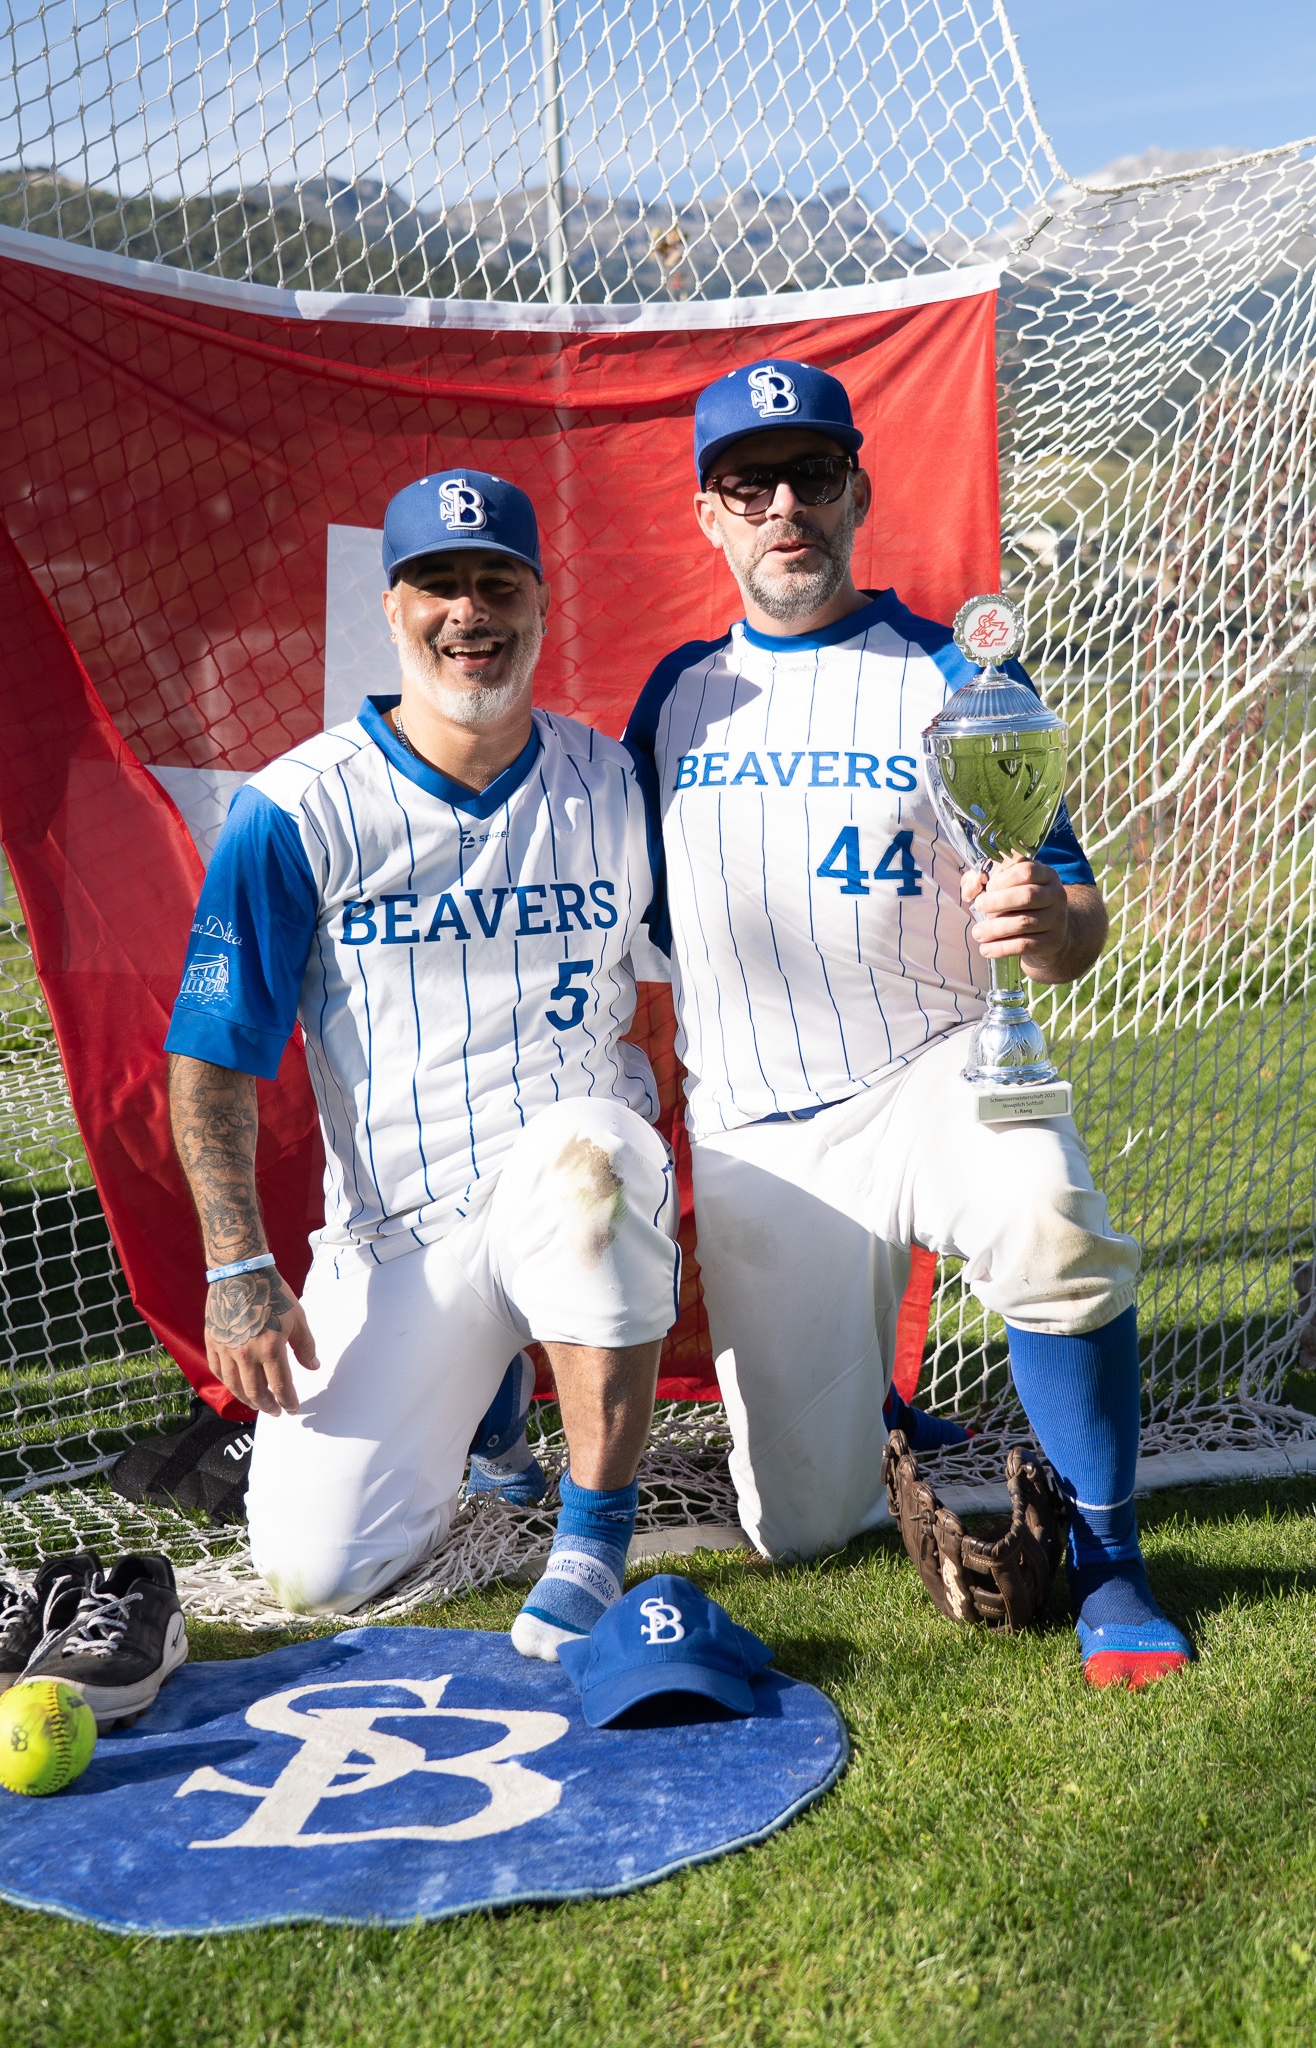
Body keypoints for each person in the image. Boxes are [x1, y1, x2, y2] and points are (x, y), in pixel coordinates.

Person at [624, 360, 1192, 1689]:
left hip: (939, 1072)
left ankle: (1113, 1564)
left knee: (1050, 1221)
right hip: (767, 1132)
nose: (784, 507)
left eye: (812, 475)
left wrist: (1047, 923)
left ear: (857, 494)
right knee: (806, 1526)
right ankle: (872, 1395)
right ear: (708, 515)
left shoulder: (951, 671)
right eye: (749, 485)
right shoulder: (674, 700)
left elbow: (1077, 918)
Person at [165, 469, 679, 1659]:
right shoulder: (295, 807)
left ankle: (592, 1540)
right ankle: (492, 1409)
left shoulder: (614, 783)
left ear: (539, 602)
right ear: (392, 607)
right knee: (312, 1569)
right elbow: (213, 1052)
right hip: (399, 1230)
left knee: (594, 1157)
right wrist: (237, 1262)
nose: (468, 611)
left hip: (568, 1176)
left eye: (497, 582)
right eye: (437, 584)